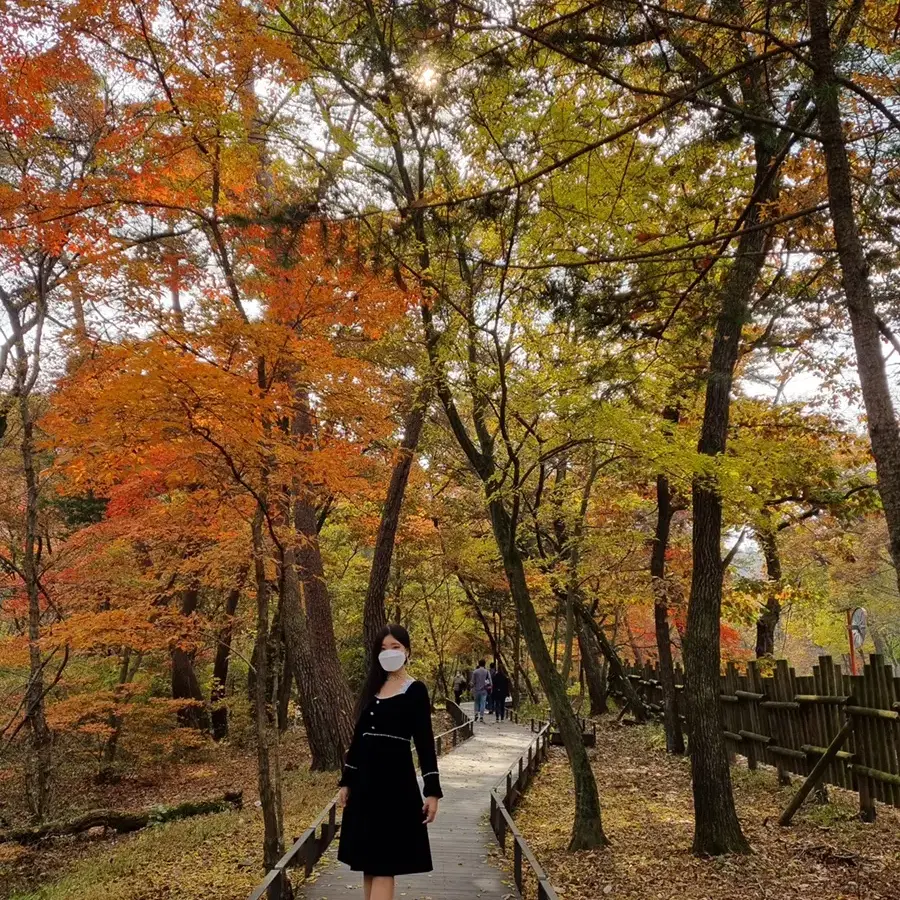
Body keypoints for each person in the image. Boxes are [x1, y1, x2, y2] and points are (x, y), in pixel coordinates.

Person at [337, 624, 442, 900]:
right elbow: (358, 741)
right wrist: (346, 782)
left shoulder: (415, 690)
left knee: (384, 865)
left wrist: (432, 791)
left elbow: (424, 742)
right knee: (369, 865)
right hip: (364, 788)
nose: (389, 653)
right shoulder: (373, 689)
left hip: (394, 787)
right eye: (383, 649)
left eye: (395, 647)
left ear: (407, 651)